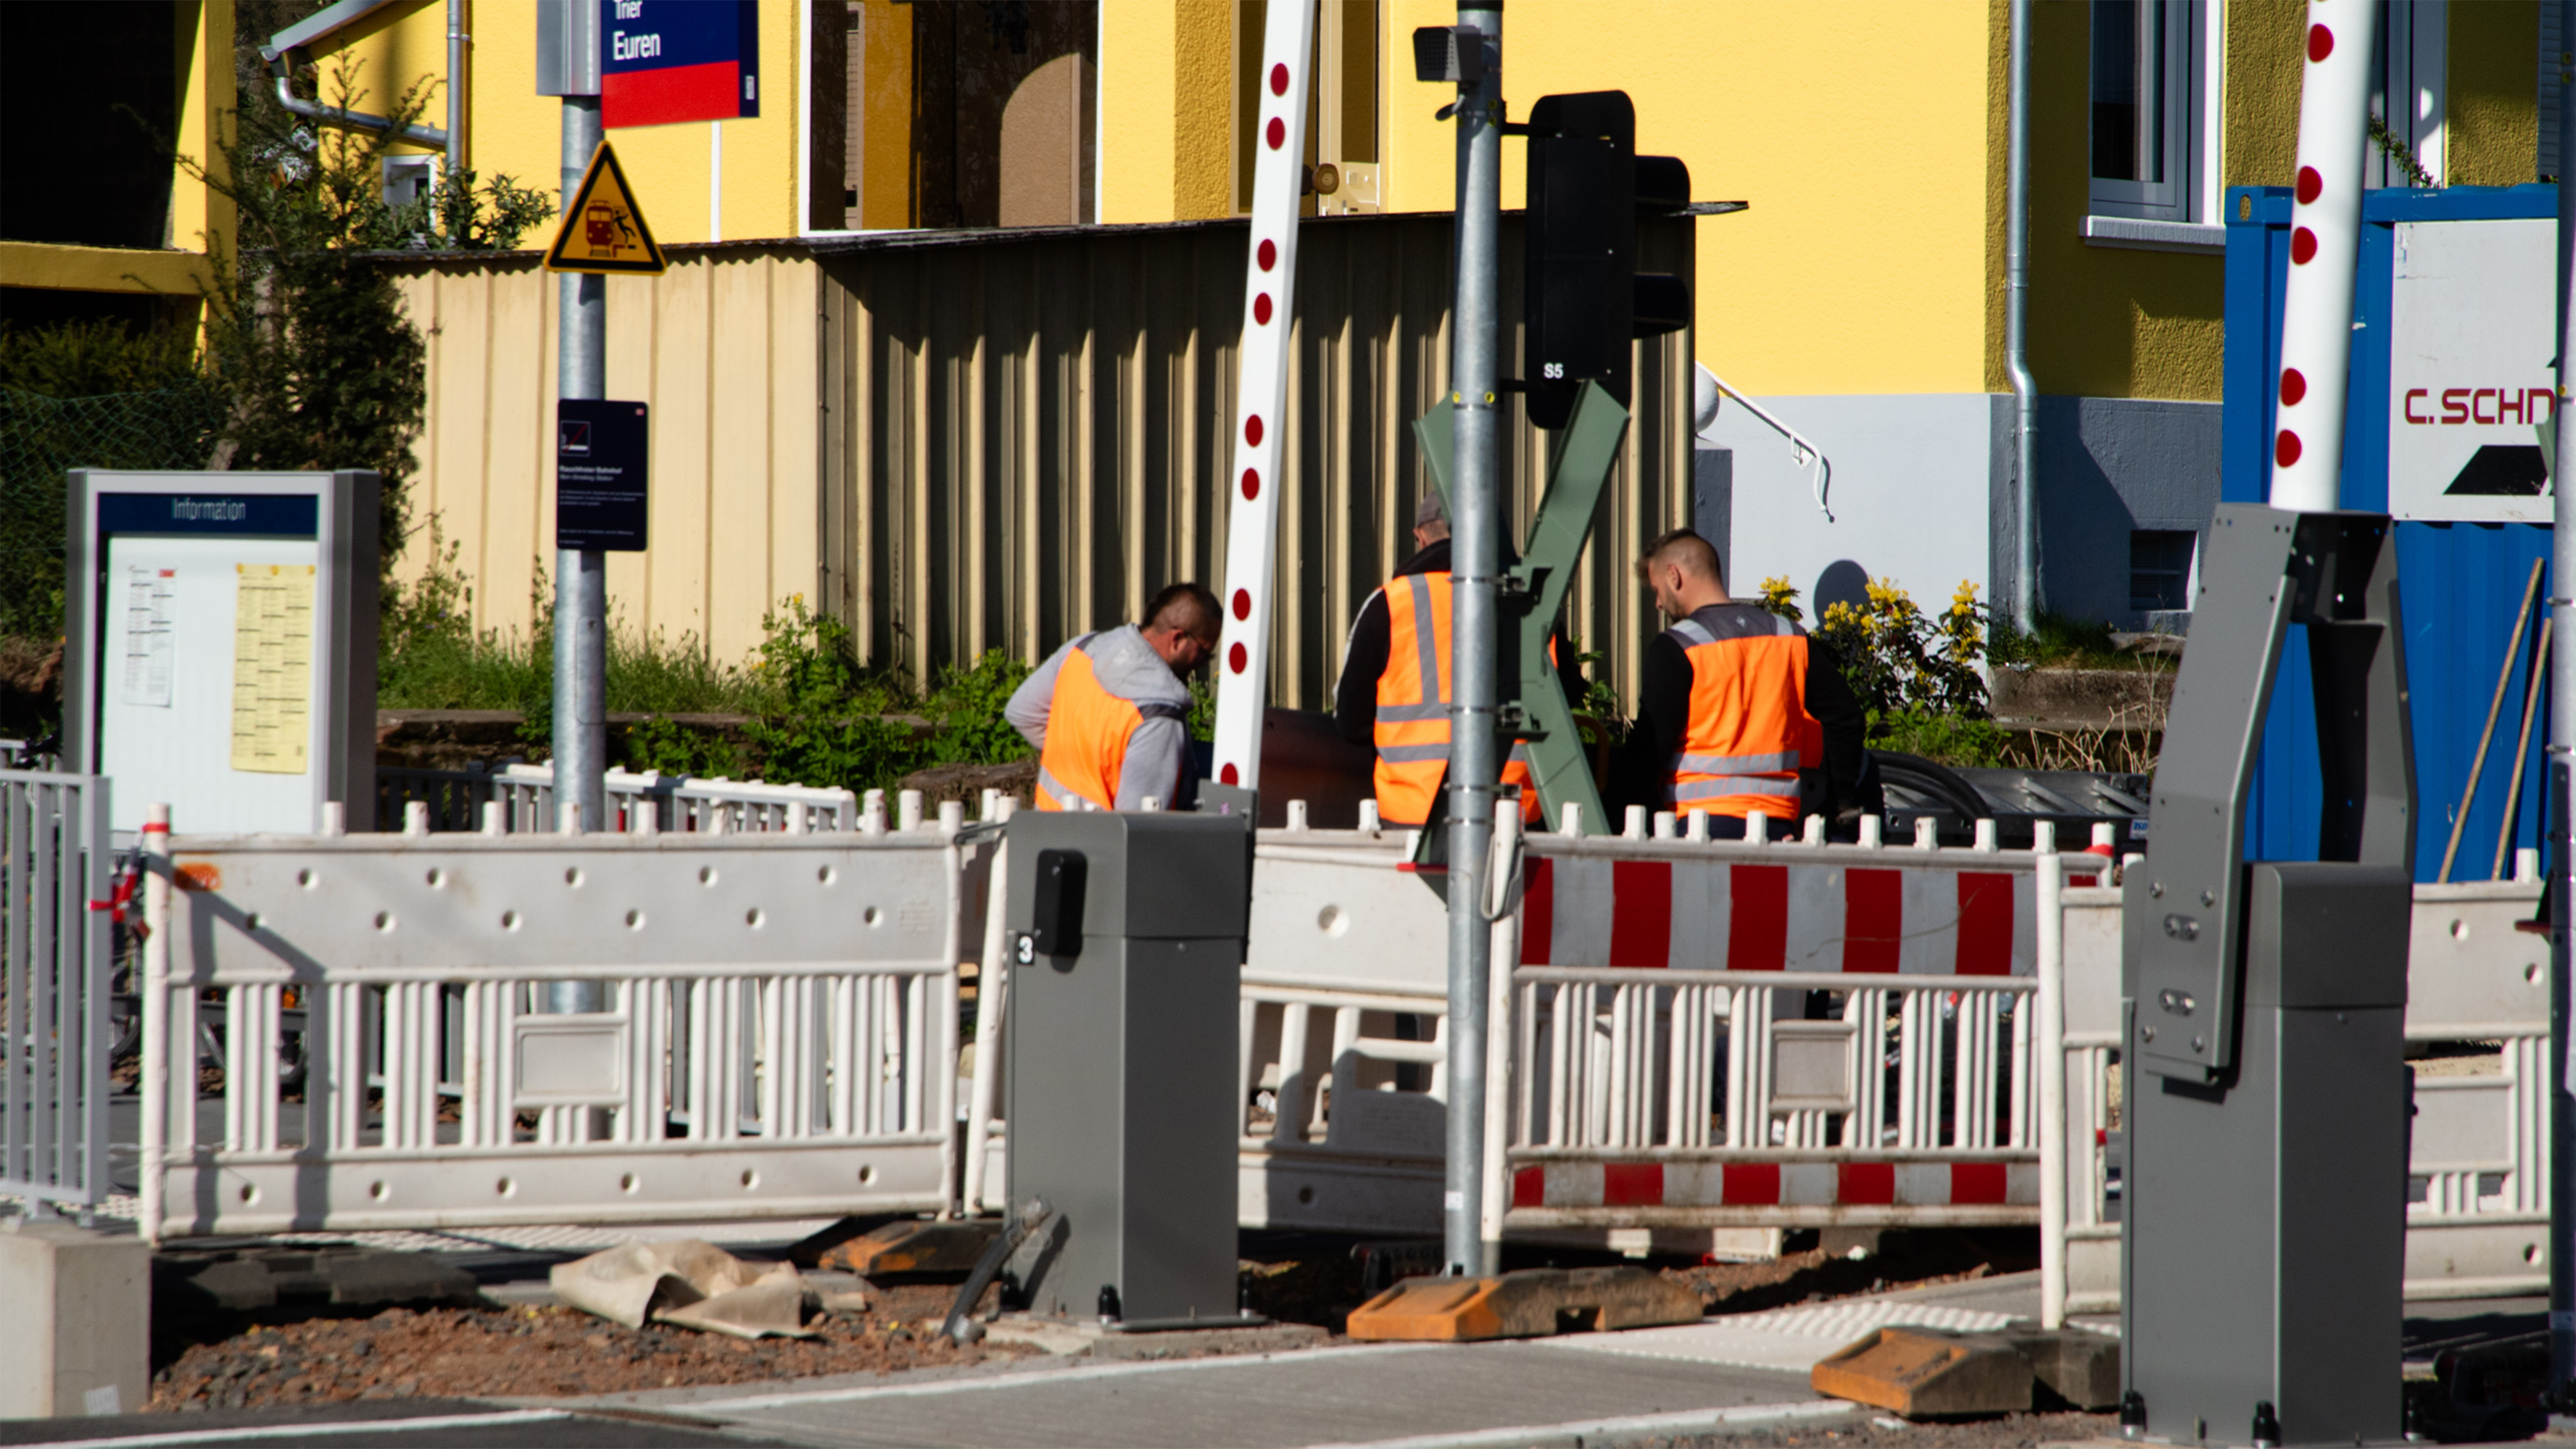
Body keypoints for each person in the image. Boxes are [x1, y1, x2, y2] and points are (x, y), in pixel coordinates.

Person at [1609, 529, 1873, 836]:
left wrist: (1619, 815)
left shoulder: (1677, 646)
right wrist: (1839, 801)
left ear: (1674, 575)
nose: (1657, 603)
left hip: (1696, 827)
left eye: (1657, 589)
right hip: (1775, 826)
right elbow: (1846, 717)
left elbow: (1650, 747)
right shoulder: (1787, 635)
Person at [1332, 494, 1555, 828]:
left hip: (1412, 816)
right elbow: (1565, 708)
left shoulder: (1390, 604)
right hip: (1514, 816)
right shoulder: (1531, 607)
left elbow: (1350, 720)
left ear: (1420, 538)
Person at [1006, 583, 1220, 811]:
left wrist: (1080, 758)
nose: (1204, 663)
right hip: (1101, 843)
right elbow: (1139, 824)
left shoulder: (1084, 649)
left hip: (1044, 830)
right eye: (1204, 652)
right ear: (1177, 639)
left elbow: (1022, 712)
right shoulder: (1158, 715)